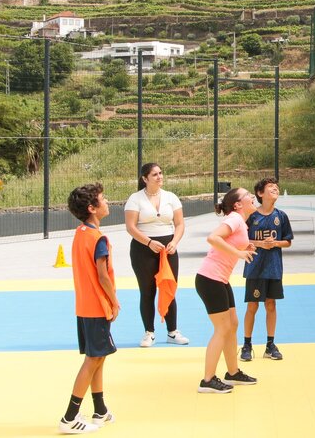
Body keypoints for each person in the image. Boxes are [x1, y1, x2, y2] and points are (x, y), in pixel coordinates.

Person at [59, 182, 121, 434]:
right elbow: (103, 275)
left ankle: (100, 410)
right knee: (93, 358)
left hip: (84, 305)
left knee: (98, 357)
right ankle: (69, 417)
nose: (107, 202)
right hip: (97, 305)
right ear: (92, 208)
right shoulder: (98, 238)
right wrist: (114, 301)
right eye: (103, 199)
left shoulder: (80, 233)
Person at [195, 187, 260, 393]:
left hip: (220, 279)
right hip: (209, 279)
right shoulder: (234, 218)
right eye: (247, 195)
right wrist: (239, 254)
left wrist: (244, 248)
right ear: (238, 204)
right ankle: (207, 380)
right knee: (222, 329)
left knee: (232, 324)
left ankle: (233, 373)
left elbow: (230, 242)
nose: (251, 197)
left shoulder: (240, 221)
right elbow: (213, 238)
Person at [124, 162, 189, 347]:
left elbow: (180, 224)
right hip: (143, 249)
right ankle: (149, 332)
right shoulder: (135, 199)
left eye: (161, 173)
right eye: (154, 174)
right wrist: (149, 242)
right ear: (145, 179)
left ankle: (172, 332)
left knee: (168, 287)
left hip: (168, 248)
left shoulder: (171, 197)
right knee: (147, 291)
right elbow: (130, 226)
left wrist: (174, 242)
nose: (159, 177)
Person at [240, 177, 294, 362]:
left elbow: (288, 241)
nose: (275, 189)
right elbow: (241, 241)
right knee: (252, 306)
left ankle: (270, 345)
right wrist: (260, 244)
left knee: (271, 304)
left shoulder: (281, 216)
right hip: (255, 268)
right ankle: (247, 344)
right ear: (260, 193)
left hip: (273, 267)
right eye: (271, 187)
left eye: (277, 187)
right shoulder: (251, 217)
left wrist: (275, 243)